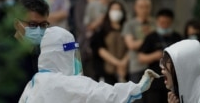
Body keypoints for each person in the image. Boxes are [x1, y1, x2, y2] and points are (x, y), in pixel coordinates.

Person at [19, 26, 161, 103]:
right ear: (61, 55)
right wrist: (137, 87)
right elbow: (103, 94)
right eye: (72, 54)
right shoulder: (64, 82)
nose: (75, 59)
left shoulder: (35, 82)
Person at [0, 0, 49, 103]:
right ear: (17, 24)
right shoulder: (0, 54)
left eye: (43, 25)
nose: (38, 30)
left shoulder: (46, 53)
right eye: (32, 25)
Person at [138, 9, 181, 103]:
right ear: (157, 21)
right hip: (155, 82)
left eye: (167, 22)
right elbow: (141, 57)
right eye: (162, 22)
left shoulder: (177, 37)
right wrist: (154, 56)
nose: (164, 25)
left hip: (173, 82)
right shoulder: (151, 37)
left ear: (171, 22)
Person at [122, 0, 155, 103]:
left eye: (147, 7)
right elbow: (131, 44)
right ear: (135, 8)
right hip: (136, 67)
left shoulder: (155, 23)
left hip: (154, 67)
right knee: (137, 98)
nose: (144, 10)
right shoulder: (129, 24)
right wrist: (149, 39)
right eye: (141, 7)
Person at [91, 0, 128, 84]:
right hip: (106, 73)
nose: (116, 12)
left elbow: (129, 49)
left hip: (125, 71)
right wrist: (118, 63)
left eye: (118, 10)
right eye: (113, 9)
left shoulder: (126, 29)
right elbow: (100, 50)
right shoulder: (102, 31)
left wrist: (124, 62)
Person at [73, 0, 99, 78]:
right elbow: (79, 24)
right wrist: (90, 28)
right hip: (84, 43)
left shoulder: (102, 2)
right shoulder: (80, 3)